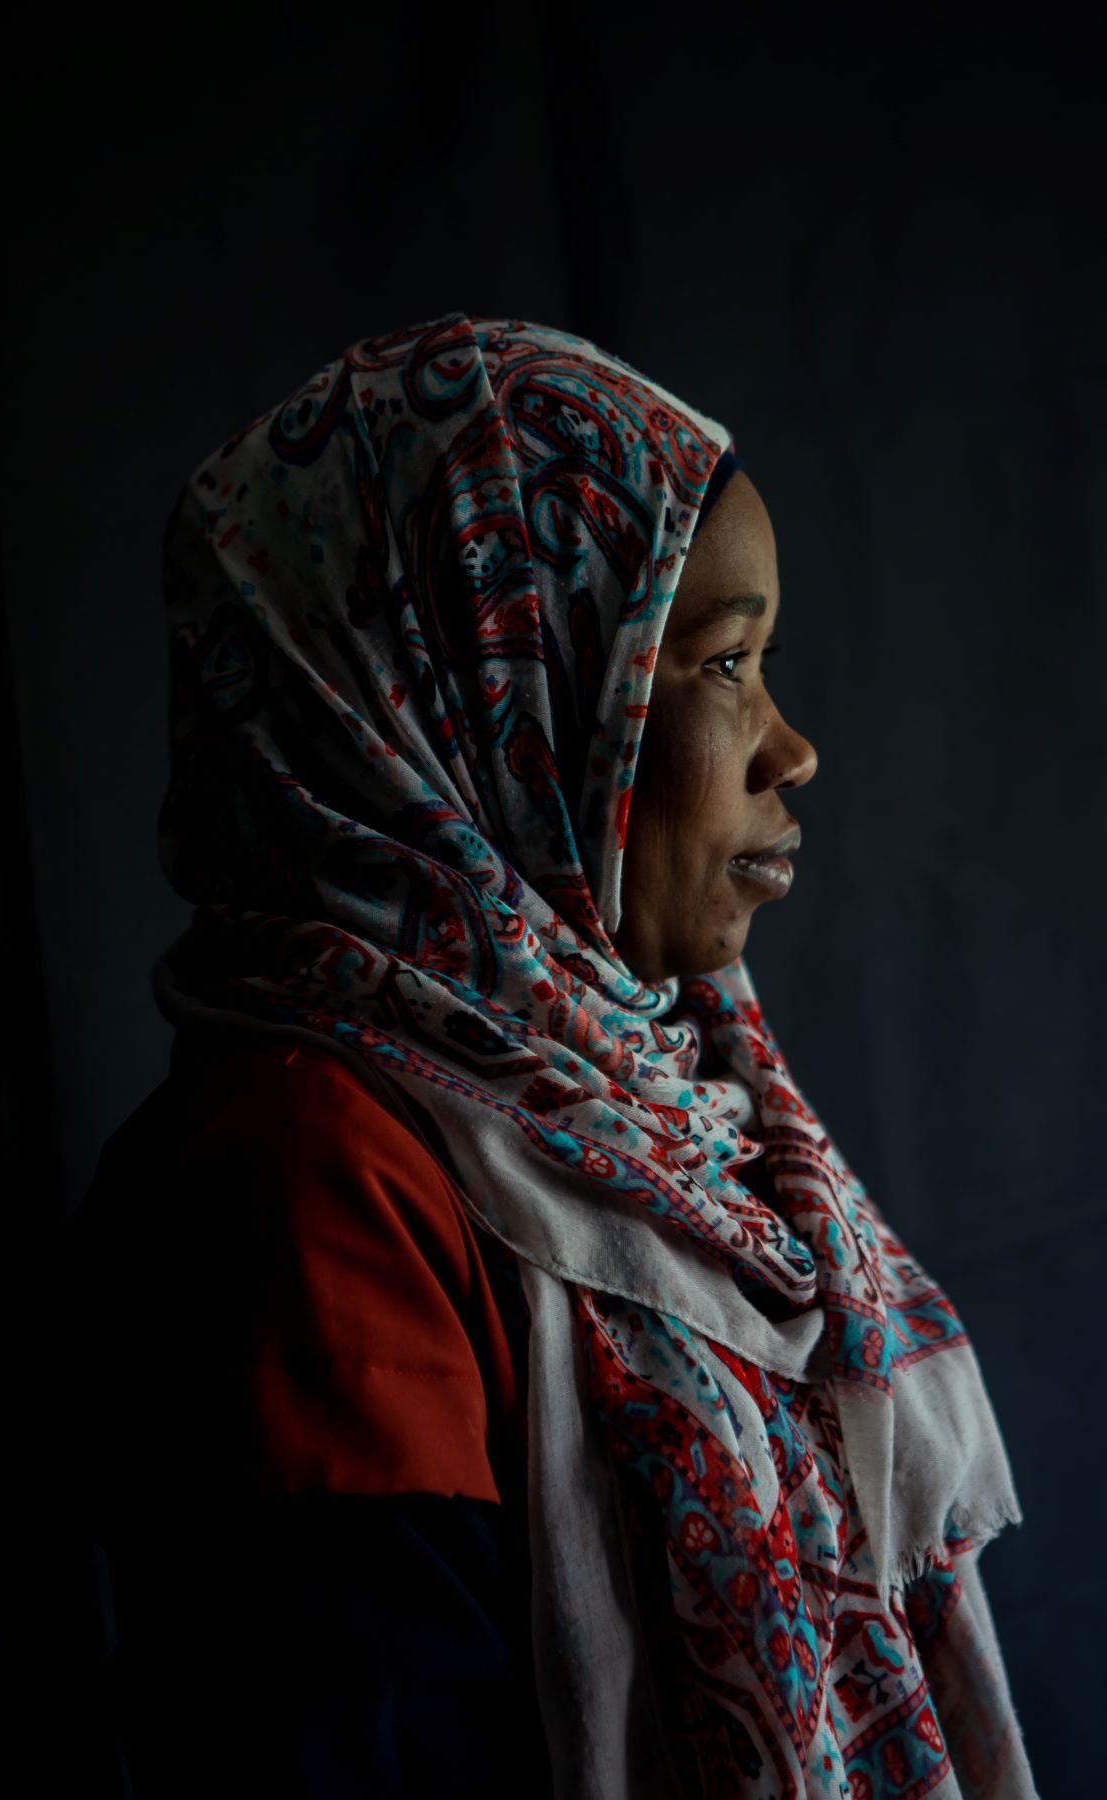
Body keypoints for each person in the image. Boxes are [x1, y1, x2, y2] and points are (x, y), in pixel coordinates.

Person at [67, 312, 1039, 1798]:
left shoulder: (675, 1109)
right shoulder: (309, 1181)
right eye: (721, 663)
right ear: (482, 705)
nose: (791, 750)